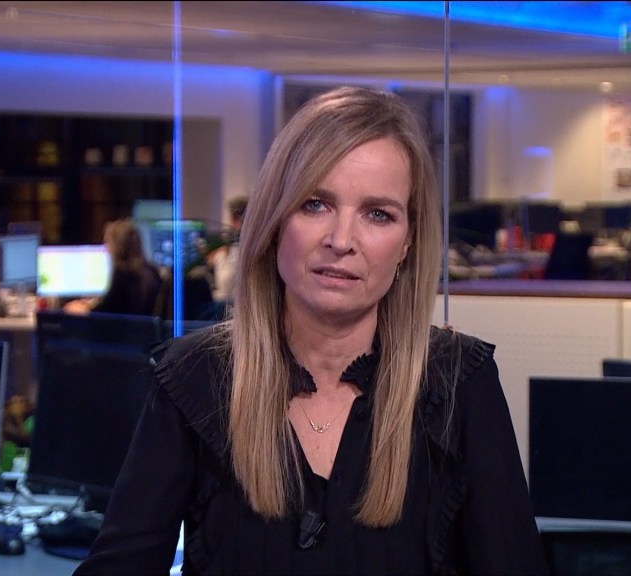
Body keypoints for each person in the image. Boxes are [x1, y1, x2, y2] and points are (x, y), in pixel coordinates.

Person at [74, 87, 548, 575]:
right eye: (315, 204)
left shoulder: (458, 383)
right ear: (276, 220)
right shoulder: (194, 378)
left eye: (378, 214)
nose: (341, 241)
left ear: (407, 242)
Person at [63, 218, 164, 316]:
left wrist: (81, 309)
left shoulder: (122, 273)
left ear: (117, 244)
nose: (105, 247)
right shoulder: (151, 271)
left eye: (107, 242)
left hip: (120, 326)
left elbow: (104, 312)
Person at [207, 194, 249, 304]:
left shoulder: (241, 244)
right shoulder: (230, 243)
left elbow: (226, 282)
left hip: (232, 302)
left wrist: (220, 255)